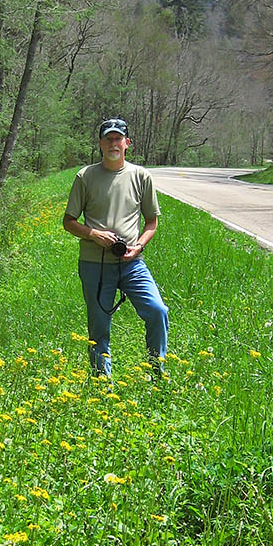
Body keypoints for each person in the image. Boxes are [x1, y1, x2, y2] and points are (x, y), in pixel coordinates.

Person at [63, 117, 168, 379]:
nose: (113, 143)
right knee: (99, 327)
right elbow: (68, 222)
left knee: (158, 311)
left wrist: (139, 247)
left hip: (131, 263)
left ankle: (157, 373)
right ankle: (102, 385)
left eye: (118, 138)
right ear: (100, 144)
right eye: (108, 138)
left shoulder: (141, 176)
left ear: (127, 143)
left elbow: (152, 222)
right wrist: (94, 234)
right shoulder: (85, 176)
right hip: (94, 264)